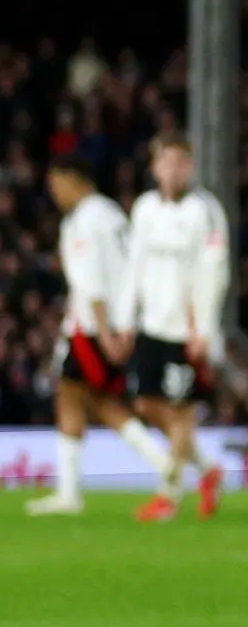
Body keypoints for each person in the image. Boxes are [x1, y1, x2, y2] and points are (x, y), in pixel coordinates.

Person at [25, 156, 175, 516]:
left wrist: (106, 333)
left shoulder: (83, 220)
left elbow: (91, 281)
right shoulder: (110, 214)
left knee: (75, 396)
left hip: (92, 326)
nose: (55, 194)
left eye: (57, 184)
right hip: (113, 321)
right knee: (94, 401)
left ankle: (72, 493)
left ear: (74, 179)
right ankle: (162, 462)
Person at [111, 135, 230, 522]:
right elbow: (134, 266)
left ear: (190, 167)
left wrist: (204, 331)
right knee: (146, 404)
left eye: (180, 162)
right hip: (151, 324)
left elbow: (215, 273)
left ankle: (169, 493)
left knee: (181, 413)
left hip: (186, 329)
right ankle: (207, 469)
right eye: (166, 162)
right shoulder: (144, 208)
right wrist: (125, 319)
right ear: (155, 167)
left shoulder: (205, 210)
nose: (173, 170)